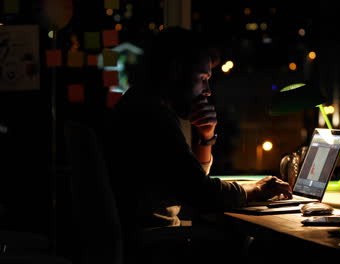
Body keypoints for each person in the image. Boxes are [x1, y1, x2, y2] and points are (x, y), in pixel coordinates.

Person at [102, 26, 292, 260]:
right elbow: (201, 194)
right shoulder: (153, 116)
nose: (208, 91)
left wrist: (205, 137)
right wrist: (255, 189)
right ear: (175, 70)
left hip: (148, 238)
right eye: (203, 79)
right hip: (153, 244)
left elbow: (187, 180)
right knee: (262, 247)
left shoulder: (139, 103)